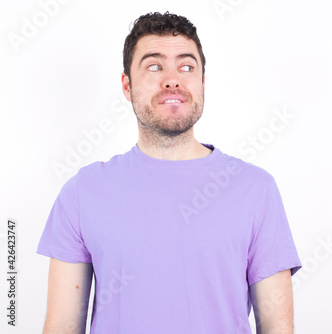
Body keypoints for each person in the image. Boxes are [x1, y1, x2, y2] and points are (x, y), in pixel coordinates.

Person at [37, 11, 301, 334]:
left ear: (202, 83)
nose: (172, 79)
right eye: (154, 66)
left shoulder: (257, 191)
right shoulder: (81, 193)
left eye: (186, 67)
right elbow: (63, 326)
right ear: (126, 85)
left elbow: (277, 327)